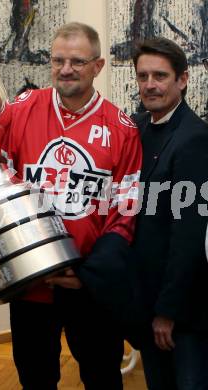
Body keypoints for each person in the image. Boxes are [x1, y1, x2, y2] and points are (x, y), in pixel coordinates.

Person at [0, 22, 142, 390]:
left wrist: (89, 273)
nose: (66, 69)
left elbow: (126, 211)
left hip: (86, 284)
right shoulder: (20, 110)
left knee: (102, 375)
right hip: (30, 280)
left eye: (77, 61)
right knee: (35, 375)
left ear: (98, 66)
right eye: (58, 60)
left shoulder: (122, 129)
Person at [131, 37, 208, 390]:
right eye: (143, 75)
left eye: (160, 76)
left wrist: (168, 311)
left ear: (183, 79)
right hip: (148, 297)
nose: (150, 84)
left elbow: (188, 235)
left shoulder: (195, 138)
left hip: (182, 309)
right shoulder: (138, 128)